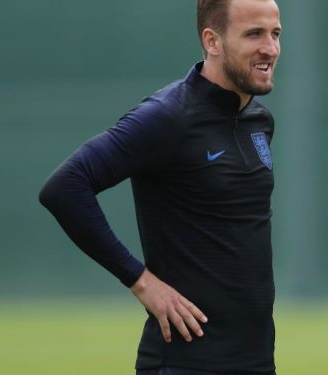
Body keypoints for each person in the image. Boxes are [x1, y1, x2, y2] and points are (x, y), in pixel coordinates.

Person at [39, 0, 282, 373]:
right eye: (254, 34)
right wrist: (141, 282)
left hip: (256, 362)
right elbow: (65, 187)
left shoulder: (258, 120)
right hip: (183, 363)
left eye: (275, 33)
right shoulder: (168, 116)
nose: (270, 47)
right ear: (212, 41)